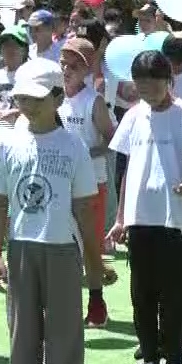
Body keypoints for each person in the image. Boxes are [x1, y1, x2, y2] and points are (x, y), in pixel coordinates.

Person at [0, 58, 102, 364]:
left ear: (57, 97)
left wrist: (94, 266)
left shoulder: (73, 146)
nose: (28, 105)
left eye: (37, 98)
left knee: (63, 341)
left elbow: (85, 210)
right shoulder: (8, 142)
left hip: (62, 251)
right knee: (23, 341)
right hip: (21, 248)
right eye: (21, 98)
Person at [107, 49, 182, 364]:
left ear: (170, 81)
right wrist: (120, 218)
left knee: (174, 297)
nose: (147, 89)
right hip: (140, 221)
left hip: (174, 221)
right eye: (140, 83)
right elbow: (126, 171)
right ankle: (149, 362)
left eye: (154, 82)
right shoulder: (133, 116)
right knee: (142, 296)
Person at [57, 37, 114, 329]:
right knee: (62, 247)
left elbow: (111, 140)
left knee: (91, 247)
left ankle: (96, 305)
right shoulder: (53, 97)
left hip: (91, 184)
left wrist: (83, 154)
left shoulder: (94, 101)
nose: (66, 70)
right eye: (63, 63)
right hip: (58, 185)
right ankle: (64, 305)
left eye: (74, 66)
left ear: (87, 70)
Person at [0, 25, 31, 123]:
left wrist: (14, 113)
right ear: (0, 51)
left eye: (14, 45)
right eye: (5, 45)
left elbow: (38, 108)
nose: (10, 49)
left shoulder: (32, 75)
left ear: (25, 49)